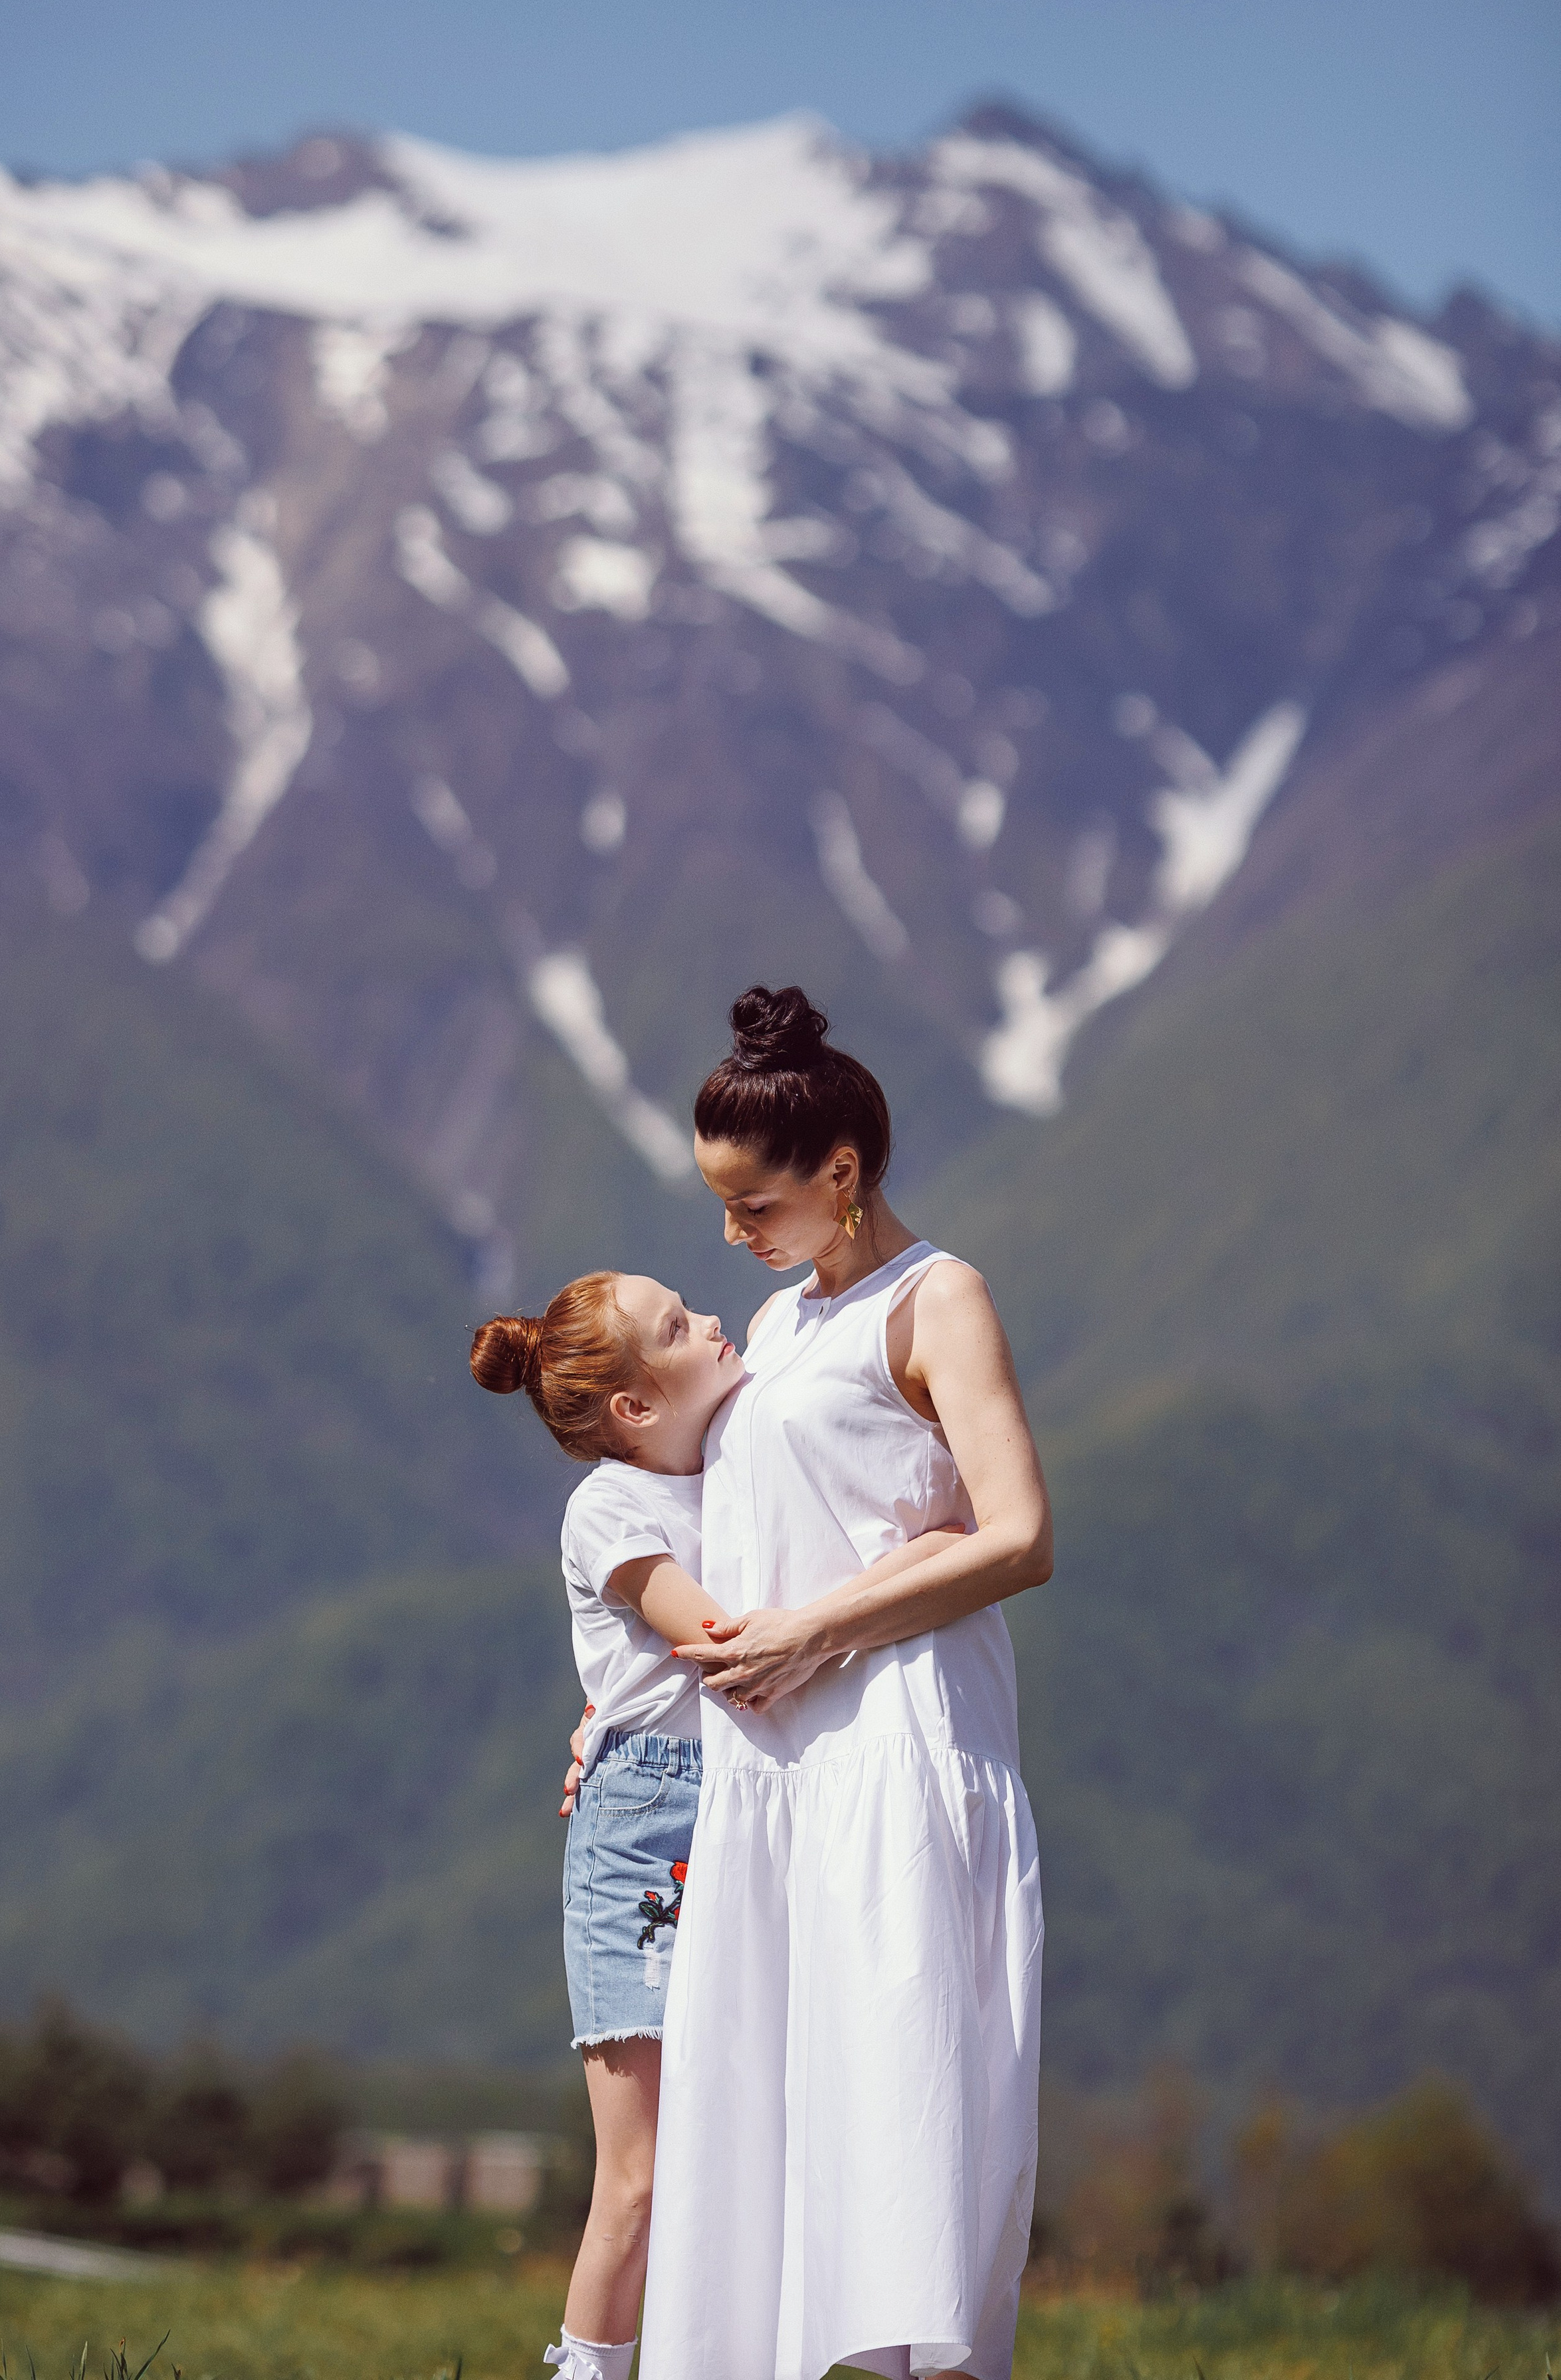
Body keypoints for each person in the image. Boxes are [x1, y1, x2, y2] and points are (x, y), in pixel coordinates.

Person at [639, 984, 1052, 2380]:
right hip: (781, 1772)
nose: (731, 1233)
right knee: (778, 2103)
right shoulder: (769, 1331)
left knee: (896, 2095)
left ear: (843, 1171)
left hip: (893, 1740)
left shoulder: (937, 1300)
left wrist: (823, 1627)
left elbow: (1017, 1536)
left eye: (752, 1204)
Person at [472, 1267, 972, 2380]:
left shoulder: (733, 1461)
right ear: (636, 1407)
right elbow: (725, 1640)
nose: (708, 1320)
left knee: (760, 2132)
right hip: (648, 1837)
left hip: (752, 1811)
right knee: (643, 2170)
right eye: (677, 1326)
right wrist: (925, 1560)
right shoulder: (611, 1508)